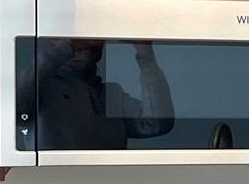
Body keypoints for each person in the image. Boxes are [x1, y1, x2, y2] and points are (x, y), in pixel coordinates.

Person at [38, 39, 176, 149]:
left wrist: (145, 54)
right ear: (49, 43)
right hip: (53, 181)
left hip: (111, 181)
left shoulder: (112, 94)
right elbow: (19, 106)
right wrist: (66, 48)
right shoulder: (40, 87)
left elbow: (157, 124)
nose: (83, 43)